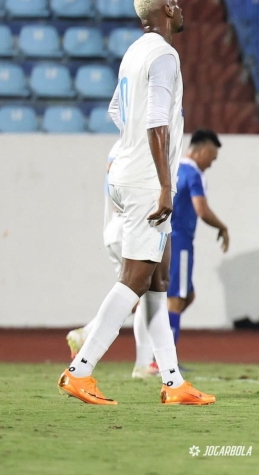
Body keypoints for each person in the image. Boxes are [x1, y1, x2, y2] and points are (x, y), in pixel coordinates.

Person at [58, 0, 214, 405]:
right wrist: (164, 182)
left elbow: (117, 110)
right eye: (177, 3)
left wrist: (131, 149)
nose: (182, 9)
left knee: (159, 280)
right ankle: (80, 371)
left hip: (127, 171)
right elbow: (157, 122)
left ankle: (173, 381)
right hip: (148, 179)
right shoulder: (164, 54)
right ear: (166, 7)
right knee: (135, 279)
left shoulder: (133, 52)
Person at [65, 139, 159, 380]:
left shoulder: (119, 146)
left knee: (132, 295)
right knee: (145, 295)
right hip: (131, 229)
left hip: (114, 230)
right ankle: (142, 364)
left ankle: (85, 334)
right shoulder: (143, 143)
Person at [167, 129, 229, 355]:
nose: (211, 164)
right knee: (177, 298)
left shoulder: (172, 168)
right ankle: (164, 360)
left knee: (186, 295)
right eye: (212, 158)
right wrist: (222, 226)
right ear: (203, 151)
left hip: (164, 239)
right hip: (180, 240)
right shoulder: (194, 175)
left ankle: (157, 342)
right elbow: (201, 210)